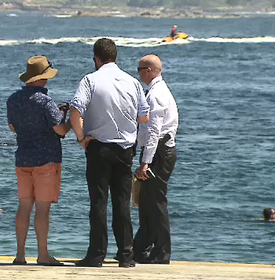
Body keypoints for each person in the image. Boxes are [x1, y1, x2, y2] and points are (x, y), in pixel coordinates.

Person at [69, 38, 150, 268]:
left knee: (99, 203)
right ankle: (126, 255)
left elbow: (75, 111)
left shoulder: (90, 80)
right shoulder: (132, 82)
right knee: (122, 204)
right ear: (115, 57)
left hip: (99, 148)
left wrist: (81, 137)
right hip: (125, 150)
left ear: (96, 58)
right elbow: (144, 116)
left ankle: (96, 255)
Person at [6, 55, 71, 266]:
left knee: (24, 206)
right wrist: (70, 121)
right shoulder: (45, 101)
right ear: (43, 78)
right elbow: (59, 129)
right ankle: (43, 254)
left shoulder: (13, 99)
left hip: (23, 158)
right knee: (43, 209)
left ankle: (20, 255)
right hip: (46, 160)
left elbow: (13, 128)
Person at [133, 54, 178, 265]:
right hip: (157, 152)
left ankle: (161, 252)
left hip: (159, 152)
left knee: (156, 202)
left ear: (148, 70)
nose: (138, 73)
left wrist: (145, 162)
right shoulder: (155, 91)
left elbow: (154, 132)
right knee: (146, 202)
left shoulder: (156, 95)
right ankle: (141, 248)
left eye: (139, 69)